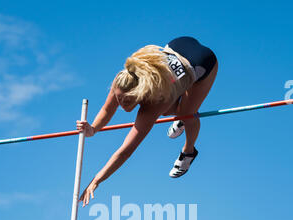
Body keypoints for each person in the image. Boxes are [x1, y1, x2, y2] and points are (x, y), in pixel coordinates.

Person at [77, 36, 218, 206]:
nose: (122, 105)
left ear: (140, 94)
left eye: (127, 101)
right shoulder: (124, 79)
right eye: (119, 99)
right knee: (169, 109)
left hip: (202, 62)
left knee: (187, 114)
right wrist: (93, 129)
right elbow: (107, 109)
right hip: (179, 45)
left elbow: (125, 151)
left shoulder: (153, 105)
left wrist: (97, 179)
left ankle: (188, 151)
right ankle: (179, 108)